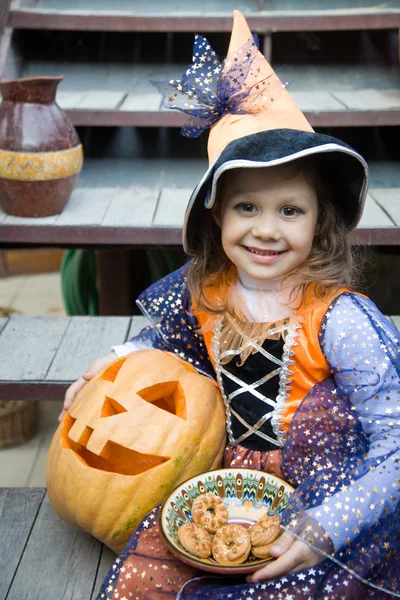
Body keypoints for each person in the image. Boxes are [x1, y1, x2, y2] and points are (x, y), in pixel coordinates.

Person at [60, 11, 400, 600]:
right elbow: (168, 351)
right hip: (216, 478)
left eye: (290, 210)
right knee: (145, 580)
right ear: (216, 214)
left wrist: (328, 526)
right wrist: (112, 366)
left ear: (319, 221)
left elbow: (396, 443)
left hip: (323, 494)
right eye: (247, 208)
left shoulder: (340, 320)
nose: (266, 231)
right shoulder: (207, 292)